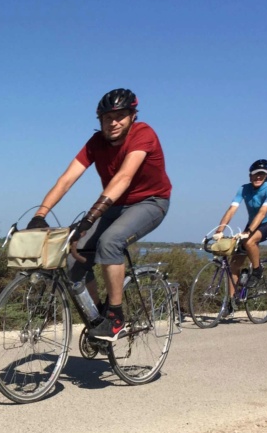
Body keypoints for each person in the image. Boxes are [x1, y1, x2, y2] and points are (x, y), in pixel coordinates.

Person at [28, 88, 171, 342]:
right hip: (114, 205)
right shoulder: (96, 143)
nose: (113, 122)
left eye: (120, 116)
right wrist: (40, 214)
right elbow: (66, 179)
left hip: (150, 202)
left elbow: (124, 178)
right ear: (100, 121)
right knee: (73, 257)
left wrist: (90, 218)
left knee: (110, 241)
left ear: (132, 116)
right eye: (107, 118)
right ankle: (97, 318)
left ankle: (115, 317)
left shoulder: (143, 134)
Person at [213, 159, 267, 294]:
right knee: (234, 264)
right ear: (250, 176)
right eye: (256, 174)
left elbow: (263, 212)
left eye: (262, 174)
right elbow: (231, 209)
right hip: (251, 225)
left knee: (249, 241)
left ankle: (257, 270)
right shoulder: (244, 189)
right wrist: (220, 230)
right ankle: (231, 300)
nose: (258, 177)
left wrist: (248, 231)